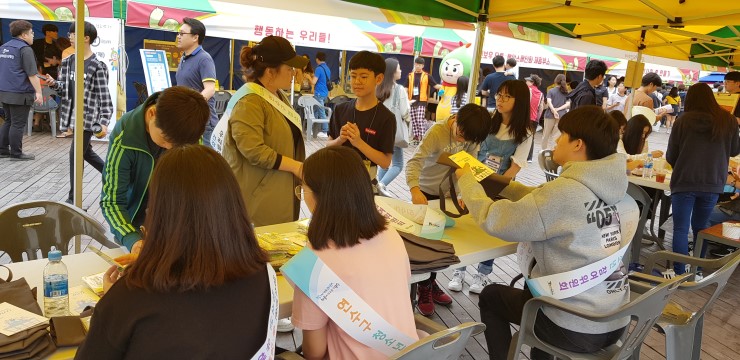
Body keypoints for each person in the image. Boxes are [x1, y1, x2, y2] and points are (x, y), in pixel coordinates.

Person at [457, 106, 637, 360]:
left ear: (578, 145)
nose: (555, 139)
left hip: (573, 326)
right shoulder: (617, 191)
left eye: (562, 135)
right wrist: (496, 182)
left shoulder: (562, 194)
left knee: (492, 297)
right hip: (613, 320)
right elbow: (544, 201)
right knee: (540, 295)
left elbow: (495, 220)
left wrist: (467, 181)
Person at [77, 145, 277, 359]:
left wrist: (113, 303)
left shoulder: (129, 298)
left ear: (159, 215)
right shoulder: (263, 275)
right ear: (233, 207)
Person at [291, 146, 418, 360]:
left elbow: (314, 352)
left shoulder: (313, 262)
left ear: (319, 197)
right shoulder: (390, 234)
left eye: (303, 189)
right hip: (409, 354)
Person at [101, 86, 209, 256]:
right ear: (152, 113)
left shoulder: (190, 133)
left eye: (178, 145)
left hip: (178, 228)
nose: (170, 149)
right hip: (134, 226)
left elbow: (198, 188)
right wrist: (132, 240)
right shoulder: (125, 136)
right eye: (166, 140)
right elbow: (112, 202)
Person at [406, 103, 492, 315]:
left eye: (468, 139)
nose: (463, 141)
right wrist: (415, 189)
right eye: (461, 134)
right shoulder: (437, 132)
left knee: (441, 243)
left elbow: (467, 165)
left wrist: (462, 193)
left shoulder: (471, 137)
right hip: (426, 194)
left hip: (449, 195)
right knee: (427, 245)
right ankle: (424, 287)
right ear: (456, 119)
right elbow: (415, 162)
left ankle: (431, 283)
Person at [449, 80, 533, 294]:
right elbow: (473, 151)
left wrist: (494, 188)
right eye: (498, 95)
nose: (500, 100)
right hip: (472, 180)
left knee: (491, 229)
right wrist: (467, 184)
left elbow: (515, 168)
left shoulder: (525, 131)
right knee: (467, 225)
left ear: (519, 101)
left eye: (506, 97)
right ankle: (459, 270)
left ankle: (483, 274)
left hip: (501, 187)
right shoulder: (487, 121)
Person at [221, 36, 308, 228]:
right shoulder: (250, 101)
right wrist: (295, 167)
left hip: (277, 191)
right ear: (270, 72)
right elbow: (252, 149)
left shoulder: (277, 94)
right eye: (289, 68)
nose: (293, 73)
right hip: (257, 199)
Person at [667, 83, 740, 273]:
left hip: (684, 180)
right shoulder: (728, 120)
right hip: (713, 182)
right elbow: (734, 150)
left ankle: (679, 271)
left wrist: (682, 166)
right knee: (702, 227)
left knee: (680, 229)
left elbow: (670, 155)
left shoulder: (683, 120)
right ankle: (697, 270)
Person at [46, 21, 113, 204]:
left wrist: (105, 121)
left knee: (75, 155)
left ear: (86, 38)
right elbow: (65, 89)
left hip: (87, 118)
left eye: (73, 33)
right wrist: (54, 84)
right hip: (70, 115)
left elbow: (104, 97)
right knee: (86, 153)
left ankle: (72, 200)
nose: (70, 36)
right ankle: (115, 177)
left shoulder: (97, 66)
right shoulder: (68, 62)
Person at [327, 51, 395, 187]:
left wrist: (358, 142)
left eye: (364, 77)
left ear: (379, 79)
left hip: (365, 184)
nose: (357, 82)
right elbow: (327, 147)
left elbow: (386, 162)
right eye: (353, 76)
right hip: (336, 181)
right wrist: (340, 139)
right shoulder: (340, 110)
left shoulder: (386, 117)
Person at [0, 20, 43, 161]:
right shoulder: (25, 49)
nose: (33, 35)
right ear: (24, 35)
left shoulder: (4, 47)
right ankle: (16, 153)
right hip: (20, 93)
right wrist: (39, 92)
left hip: (4, 91)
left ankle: (3, 150)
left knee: (8, 121)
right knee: (18, 124)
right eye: (31, 33)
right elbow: (32, 74)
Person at [175, 17, 218, 148]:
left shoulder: (204, 59)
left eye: (182, 33)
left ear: (195, 37)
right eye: (178, 33)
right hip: (188, 120)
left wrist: (190, 106)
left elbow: (210, 89)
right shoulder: (183, 58)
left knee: (205, 163)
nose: (178, 36)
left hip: (204, 122)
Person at [376, 58, 410, 195]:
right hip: (394, 131)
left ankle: (376, 187)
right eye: (399, 68)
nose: (401, 70)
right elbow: (404, 112)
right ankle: (381, 185)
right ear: (392, 71)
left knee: (384, 161)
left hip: (379, 130)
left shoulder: (378, 88)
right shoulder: (399, 89)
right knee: (398, 164)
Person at [407, 57, 439, 145]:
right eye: (416, 64)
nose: (418, 66)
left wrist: (445, 87)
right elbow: (406, 87)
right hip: (412, 100)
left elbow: (435, 85)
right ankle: (416, 137)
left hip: (422, 100)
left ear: (423, 66)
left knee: (419, 118)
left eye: (420, 65)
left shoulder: (427, 76)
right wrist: (405, 98)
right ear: (414, 64)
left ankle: (422, 137)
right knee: (413, 120)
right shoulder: (410, 75)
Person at [542, 74, 570, 150]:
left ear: (556, 80)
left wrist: (554, 110)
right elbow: (568, 104)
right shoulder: (566, 92)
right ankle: (553, 152)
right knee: (556, 136)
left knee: (546, 135)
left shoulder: (551, 91)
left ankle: (543, 151)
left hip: (549, 115)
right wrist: (557, 110)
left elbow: (549, 102)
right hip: (561, 116)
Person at [525, 75, 544, 162]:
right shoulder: (541, 94)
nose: (526, 82)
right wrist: (537, 118)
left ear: (532, 82)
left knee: (520, 135)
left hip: (525, 117)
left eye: (527, 81)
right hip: (534, 118)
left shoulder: (527, 90)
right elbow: (541, 108)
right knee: (531, 137)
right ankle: (529, 158)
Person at [312, 52, 331, 137]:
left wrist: (309, 78)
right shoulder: (327, 68)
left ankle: (325, 131)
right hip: (325, 93)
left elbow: (314, 82)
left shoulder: (318, 69)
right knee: (315, 111)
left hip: (318, 93)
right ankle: (313, 130)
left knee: (321, 111)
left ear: (317, 59)